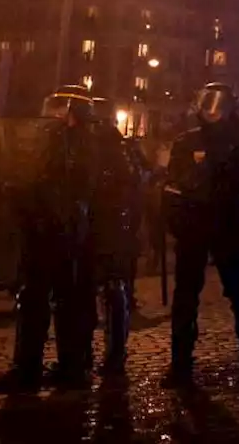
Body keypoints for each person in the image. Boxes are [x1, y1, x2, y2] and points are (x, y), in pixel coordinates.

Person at [0, 86, 100, 391]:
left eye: (57, 110)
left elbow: (64, 188)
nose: (49, 115)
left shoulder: (80, 145)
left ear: (72, 114)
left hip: (60, 233)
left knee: (51, 301)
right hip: (50, 232)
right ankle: (52, 367)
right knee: (46, 301)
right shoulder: (60, 141)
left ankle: (49, 369)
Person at [161, 83, 239, 387]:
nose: (212, 111)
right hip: (194, 227)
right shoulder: (187, 142)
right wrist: (175, 219)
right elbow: (173, 185)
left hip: (230, 229)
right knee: (186, 297)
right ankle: (180, 364)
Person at [86, 96, 145, 374]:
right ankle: (94, 356)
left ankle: (114, 356)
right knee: (96, 291)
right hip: (99, 226)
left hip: (108, 227)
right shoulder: (103, 145)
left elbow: (128, 187)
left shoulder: (112, 148)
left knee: (112, 289)